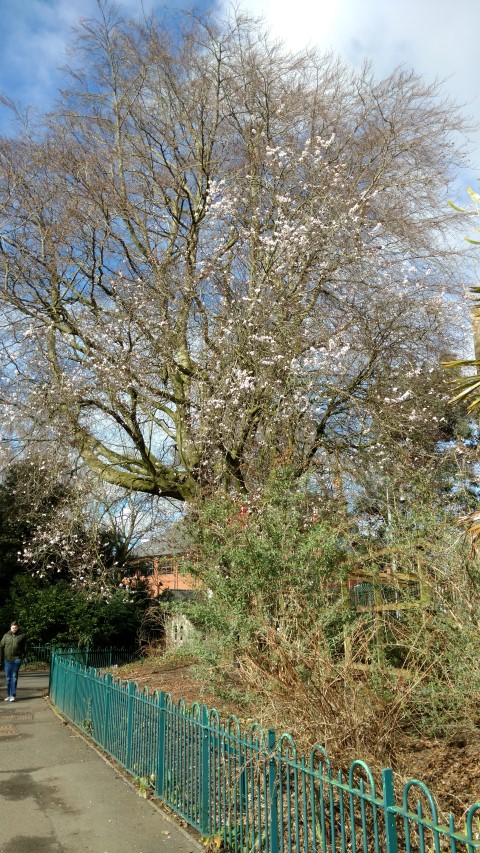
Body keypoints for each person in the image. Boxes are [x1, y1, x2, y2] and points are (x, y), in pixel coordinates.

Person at [0, 621, 27, 702]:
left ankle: (13, 695)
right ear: (10, 628)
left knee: (14, 677)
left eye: (15, 628)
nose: (14, 629)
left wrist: (25, 658)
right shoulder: (6, 636)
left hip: (16, 659)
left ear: (18, 628)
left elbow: (25, 648)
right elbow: (1, 647)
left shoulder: (22, 636)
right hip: (7, 660)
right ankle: (8, 695)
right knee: (8, 678)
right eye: (13, 627)